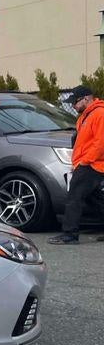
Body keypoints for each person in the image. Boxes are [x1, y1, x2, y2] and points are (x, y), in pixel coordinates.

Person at [49, 85, 104, 244]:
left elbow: (100, 143)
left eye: (75, 102)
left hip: (92, 164)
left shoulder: (99, 114)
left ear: (87, 98)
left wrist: (84, 162)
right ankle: (70, 233)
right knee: (95, 199)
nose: (73, 105)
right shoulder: (85, 116)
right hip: (88, 163)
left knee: (74, 196)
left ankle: (70, 234)